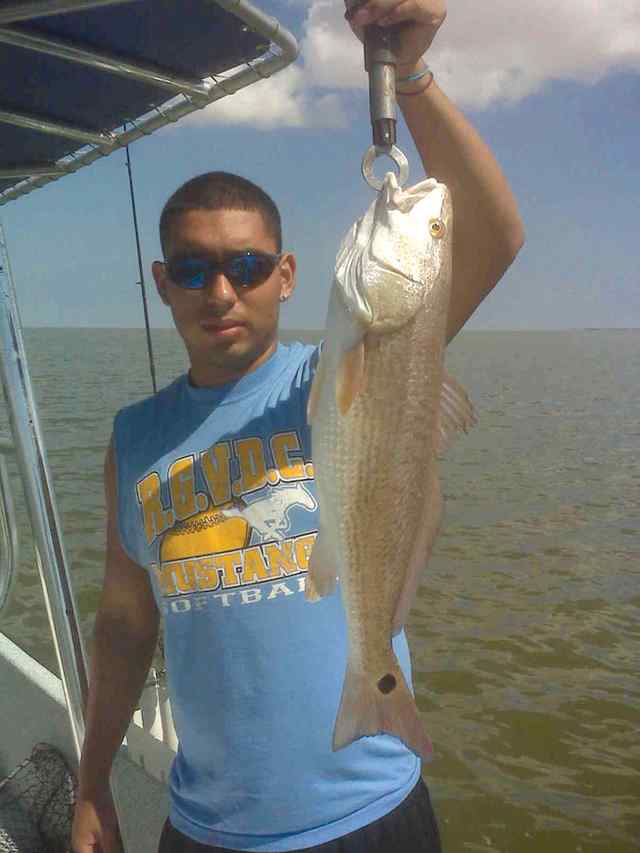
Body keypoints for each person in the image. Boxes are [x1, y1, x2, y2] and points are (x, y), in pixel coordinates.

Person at [71, 0, 524, 851]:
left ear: (284, 276)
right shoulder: (134, 438)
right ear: (161, 283)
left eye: (245, 266)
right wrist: (94, 780)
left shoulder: (350, 370)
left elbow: (495, 235)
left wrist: (412, 75)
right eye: (195, 270)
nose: (221, 292)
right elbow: (127, 626)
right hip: (206, 827)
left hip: (372, 811)